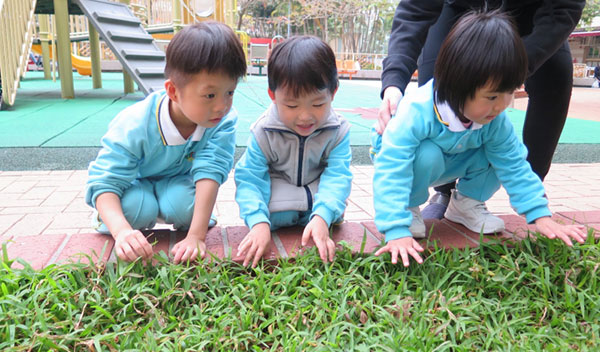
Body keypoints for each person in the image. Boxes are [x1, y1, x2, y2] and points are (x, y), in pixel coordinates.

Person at [371, 10, 587, 267]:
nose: (502, 106)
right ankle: (408, 207)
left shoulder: (494, 120)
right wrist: (395, 229)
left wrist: (539, 215)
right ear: (457, 85)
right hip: (415, 165)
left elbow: (514, 165)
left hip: (456, 158)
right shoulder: (416, 111)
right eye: (493, 97)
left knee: (501, 153)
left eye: (510, 93)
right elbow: (392, 169)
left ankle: (467, 204)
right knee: (426, 154)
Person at [85, 22, 246, 263]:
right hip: (134, 185)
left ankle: (168, 204)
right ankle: (119, 216)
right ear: (173, 92)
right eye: (210, 95)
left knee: (188, 209)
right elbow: (104, 181)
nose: (222, 106)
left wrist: (196, 236)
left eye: (230, 92)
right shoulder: (134, 123)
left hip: (177, 183)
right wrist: (122, 232)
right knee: (137, 210)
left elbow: (211, 171)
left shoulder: (222, 120)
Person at [234, 36, 352, 267]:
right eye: (291, 105)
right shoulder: (263, 131)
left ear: (333, 93)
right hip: (280, 196)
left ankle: (313, 217)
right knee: (277, 215)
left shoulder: (338, 130)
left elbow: (338, 175)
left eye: (318, 104)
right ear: (273, 96)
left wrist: (323, 216)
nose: (305, 116)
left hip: (317, 193)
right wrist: (258, 223)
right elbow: (249, 179)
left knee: (329, 214)